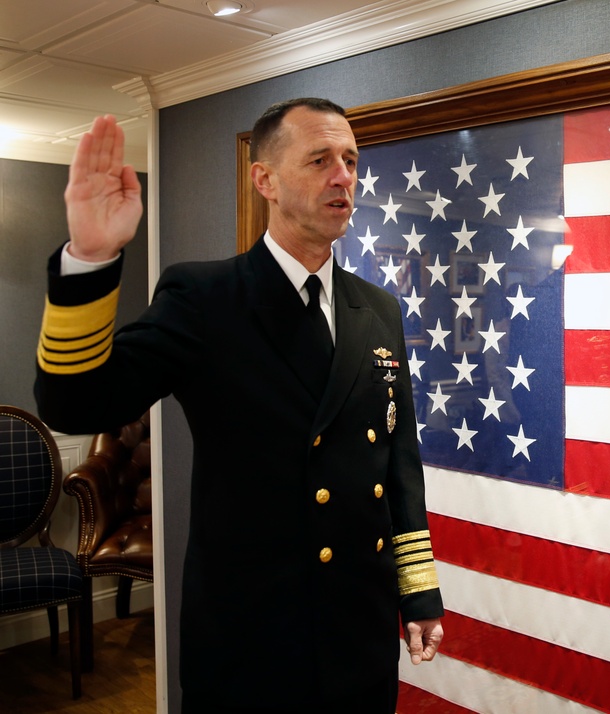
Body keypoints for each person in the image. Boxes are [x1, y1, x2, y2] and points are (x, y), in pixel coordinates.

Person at [35, 98, 444, 712]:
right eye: (320, 160)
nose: (344, 177)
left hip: (357, 629)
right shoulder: (206, 297)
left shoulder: (378, 309)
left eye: (351, 160)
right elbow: (76, 403)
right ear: (265, 180)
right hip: (251, 639)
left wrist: (417, 594)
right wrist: (90, 260)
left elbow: (397, 464)